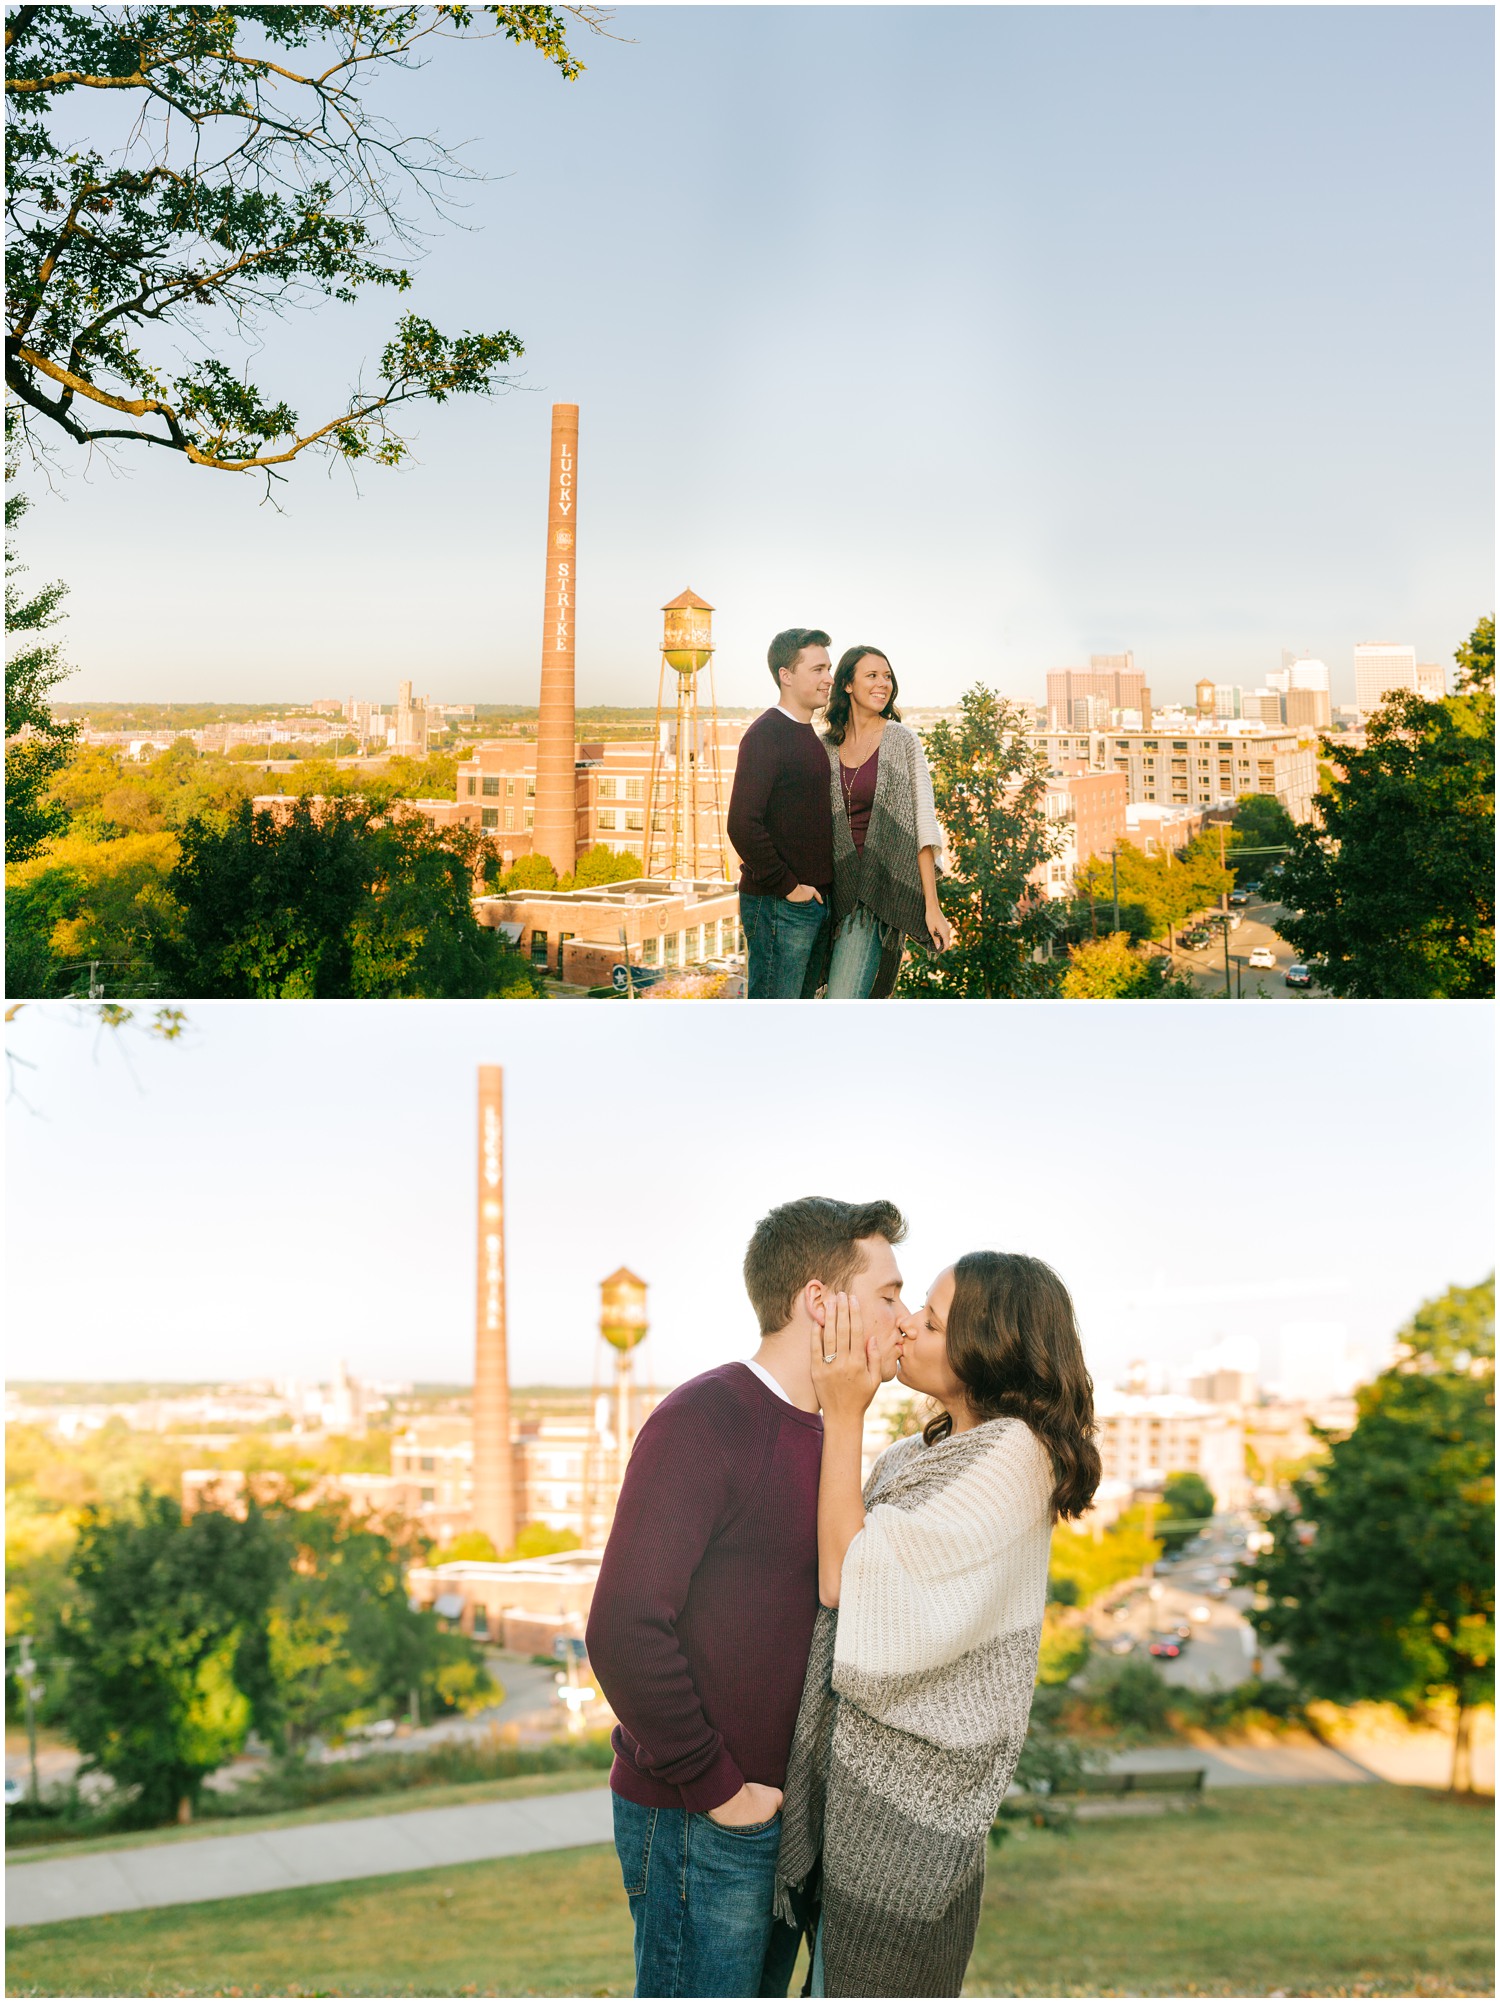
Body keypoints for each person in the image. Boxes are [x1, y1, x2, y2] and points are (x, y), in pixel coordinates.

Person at [585, 1196, 909, 1999]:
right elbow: (623, 1629)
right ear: (819, 1301)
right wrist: (720, 1788)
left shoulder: (833, 1435)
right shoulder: (707, 1416)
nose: (904, 1318)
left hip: (781, 1823)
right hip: (706, 1818)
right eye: (890, 1294)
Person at [774, 1253, 1102, 1997]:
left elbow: (845, 1580)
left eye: (932, 1319)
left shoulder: (1013, 1457)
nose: (906, 1323)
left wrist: (845, 1411)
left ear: (988, 1349)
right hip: (863, 1793)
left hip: (908, 1810)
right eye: (913, 1305)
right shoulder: (925, 1451)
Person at [821, 645, 953, 998]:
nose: (884, 684)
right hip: (827, 900)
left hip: (872, 901)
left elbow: (921, 826)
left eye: (888, 676)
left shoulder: (901, 740)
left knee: (842, 1000)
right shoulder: (825, 746)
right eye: (872, 675)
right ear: (847, 684)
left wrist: (932, 907)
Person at [727, 629, 836, 999]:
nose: (829, 678)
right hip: (779, 906)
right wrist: (790, 888)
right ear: (786, 675)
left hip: (806, 905)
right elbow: (742, 824)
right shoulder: (767, 734)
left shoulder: (806, 734)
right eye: (818, 669)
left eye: (829, 668)